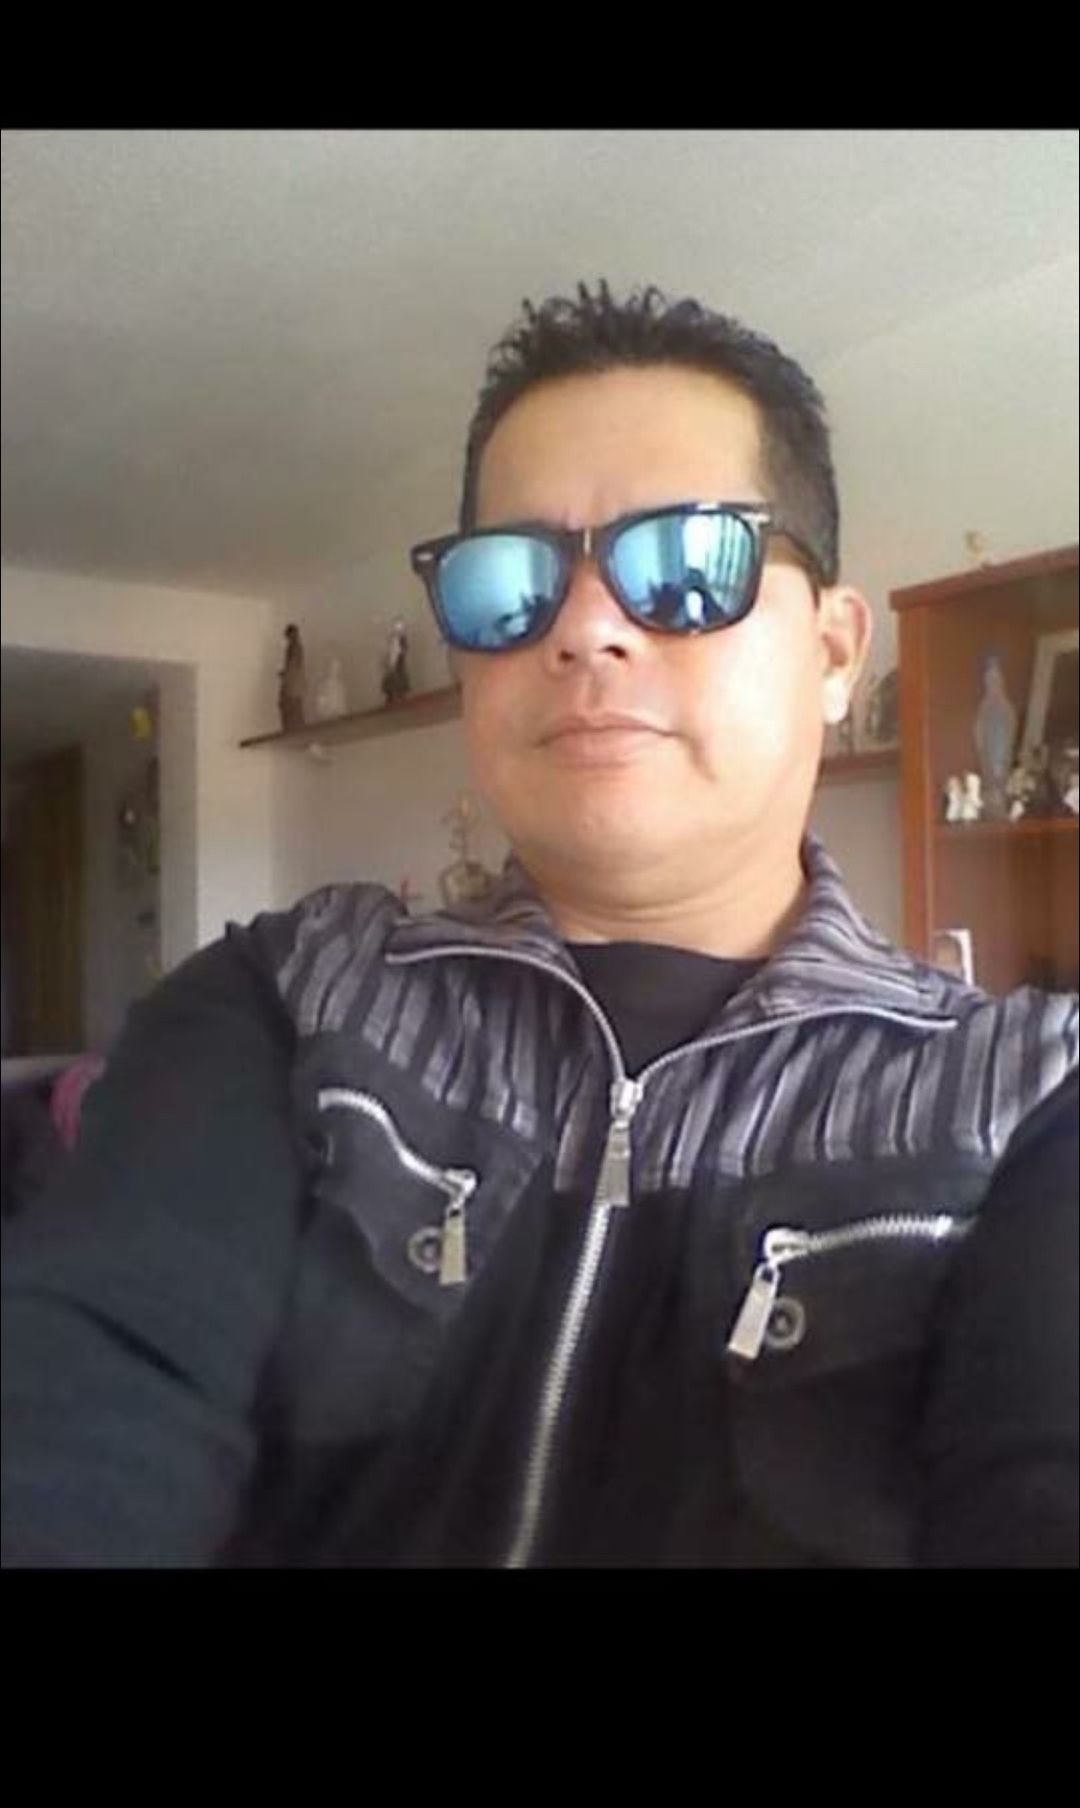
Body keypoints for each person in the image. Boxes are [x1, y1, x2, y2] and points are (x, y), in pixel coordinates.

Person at [2, 283, 1077, 1569]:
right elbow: (89, 1394)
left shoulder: (1023, 1105)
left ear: (836, 651)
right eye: (513, 582)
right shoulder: (291, 1003)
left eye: (686, 565)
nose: (585, 629)